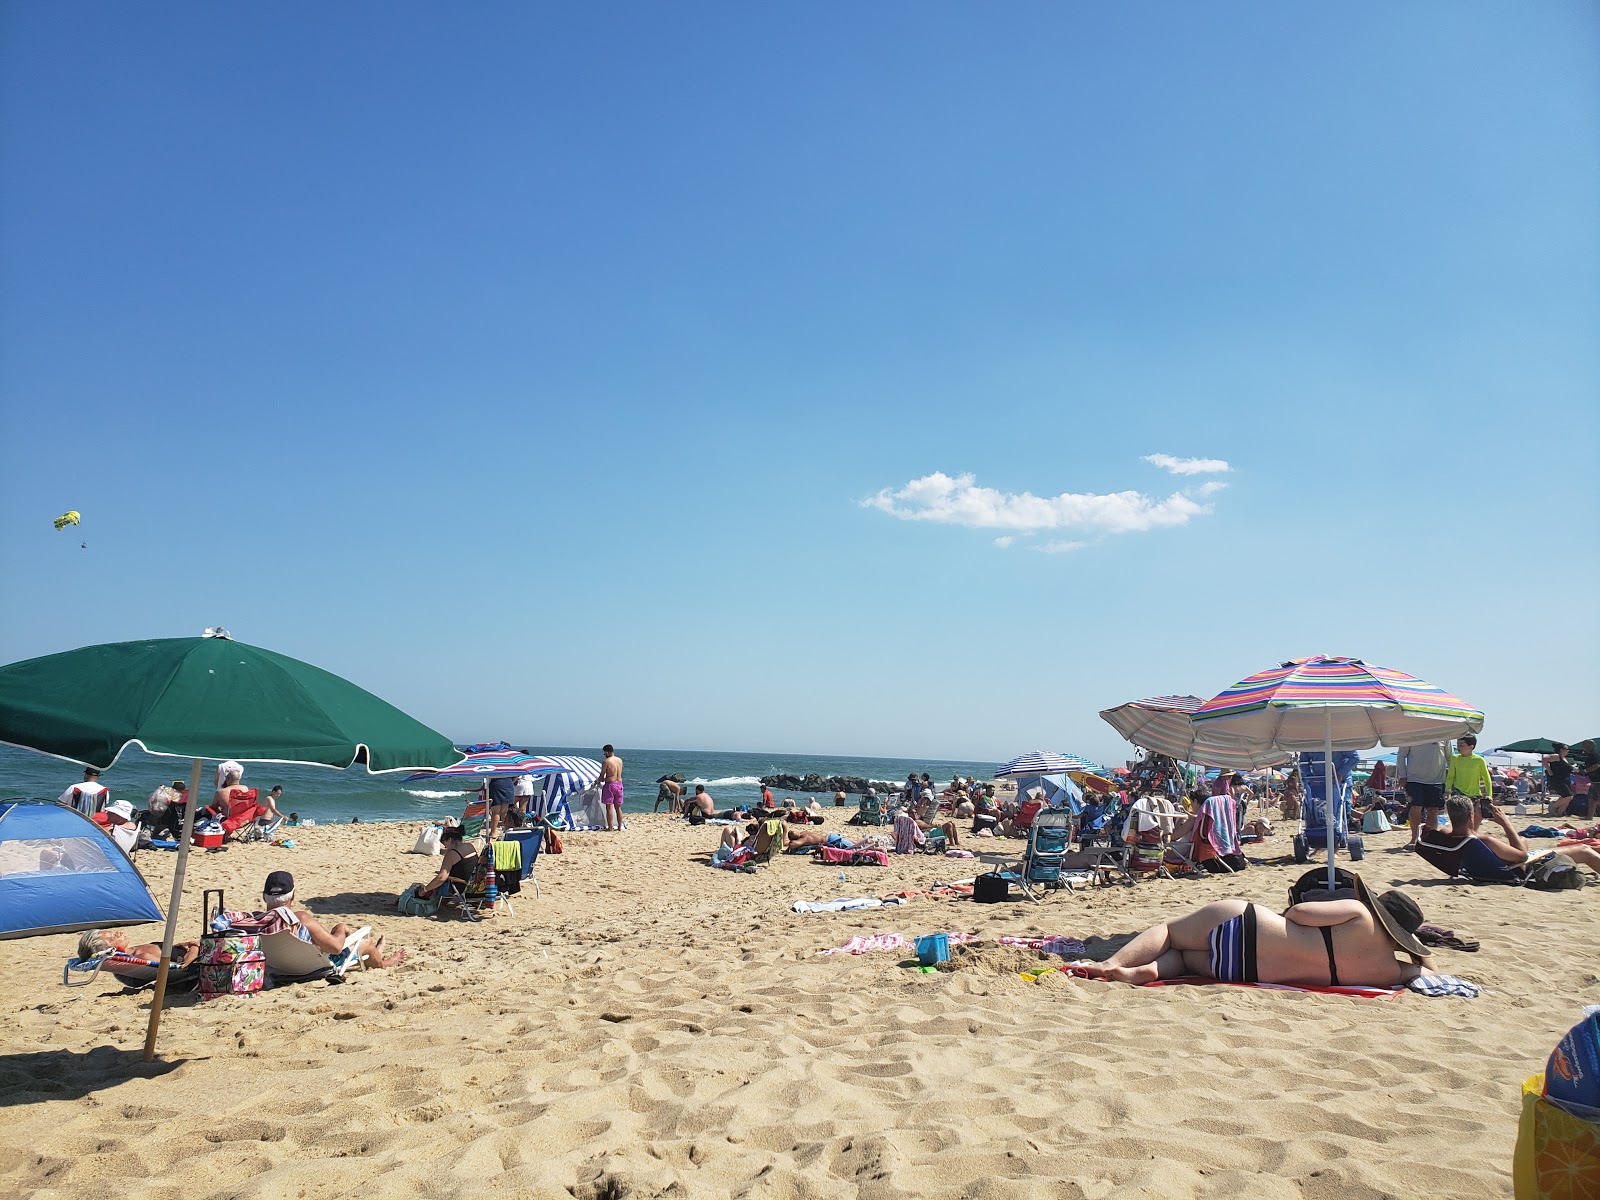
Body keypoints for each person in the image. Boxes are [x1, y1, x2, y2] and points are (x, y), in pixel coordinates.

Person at [1073, 873, 1435, 988]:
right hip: (1244, 969)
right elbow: (1425, 971)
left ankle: (1114, 964)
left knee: (1170, 933)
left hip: (1248, 927)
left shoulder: (1360, 914)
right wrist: (1418, 950)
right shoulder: (1389, 972)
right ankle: (1143, 972)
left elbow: (1298, 913)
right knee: (1182, 959)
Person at [261, 871, 406, 967]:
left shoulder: (256, 921)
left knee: (336, 933)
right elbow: (335, 948)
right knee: (365, 943)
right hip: (312, 967)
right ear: (293, 896)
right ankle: (386, 962)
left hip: (279, 969)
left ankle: (375, 952)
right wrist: (342, 929)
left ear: (264, 896)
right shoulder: (300, 919)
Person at [1438, 797, 1600, 878]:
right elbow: (1522, 856)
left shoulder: (1449, 836)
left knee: (1523, 840)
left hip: (1491, 867)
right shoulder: (1484, 840)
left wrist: (1476, 819)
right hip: (1522, 867)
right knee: (1585, 850)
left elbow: (1469, 834)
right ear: (1470, 815)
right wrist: (1505, 823)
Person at [1396, 740, 1449, 850]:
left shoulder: (1444, 733)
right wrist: (1402, 775)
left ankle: (1430, 839)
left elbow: (1450, 757)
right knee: (1416, 807)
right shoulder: (1412, 732)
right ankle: (1415, 838)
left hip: (1437, 780)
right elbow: (1401, 755)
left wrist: (1451, 778)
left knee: (1433, 810)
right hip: (1414, 778)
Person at [78, 927, 201, 969]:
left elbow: (173, 952)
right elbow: (183, 966)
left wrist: (182, 944)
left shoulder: (137, 949)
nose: (118, 933)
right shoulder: (142, 956)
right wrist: (194, 947)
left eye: (113, 932)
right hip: (205, 959)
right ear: (109, 948)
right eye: (113, 937)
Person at [415, 824, 479, 902]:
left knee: (439, 881)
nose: (445, 847)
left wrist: (424, 890)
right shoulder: (470, 846)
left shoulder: (452, 853)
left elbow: (441, 878)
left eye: (445, 844)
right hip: (478, 887)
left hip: (465, 889)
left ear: (449, 840)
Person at [1445, 734, 1493, 828]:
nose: (1459, 747)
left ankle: (1473, 833)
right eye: (1458, 744)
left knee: (1475, 816)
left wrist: (1489, 794)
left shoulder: (1479, 760)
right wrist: (1447, 790)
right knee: (1458, 817)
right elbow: (1451, 776)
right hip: (1458, 792)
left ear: (1471, 747)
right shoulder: (1455, 758)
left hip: (1474, 793)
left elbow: (1486, 778)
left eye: (1462, 745)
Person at [1544, 743, 1575, 815]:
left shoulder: (1564, 759)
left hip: (1565, 780)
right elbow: (1544, 759)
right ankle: (1553, 806)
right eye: (1566, 749)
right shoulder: (1557, 756)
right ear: (1561, 749)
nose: (1568, 751)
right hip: (1558, 780)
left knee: (1567, 797)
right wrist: (1549, 771)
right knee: (1568, 796)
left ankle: (1560, 812)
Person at [599, 744, 624, 832]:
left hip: (610, 785)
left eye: (604, 753)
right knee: (618, 807)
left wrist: (598, 781)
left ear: (606, 752)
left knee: (609, 807)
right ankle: (620, 827)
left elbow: (602, 775)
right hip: (619, 784)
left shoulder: (606, 761)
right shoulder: (620, 760)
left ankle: (610, 827)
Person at [485, 773, 517, 839]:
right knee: (504, 811)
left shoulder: (494, 764)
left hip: (497, 782)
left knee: (496, 811)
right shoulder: (509, 763)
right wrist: (511, 781)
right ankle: (506, 830)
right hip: (508, 783)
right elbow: (517, 774)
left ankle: (493, 832)